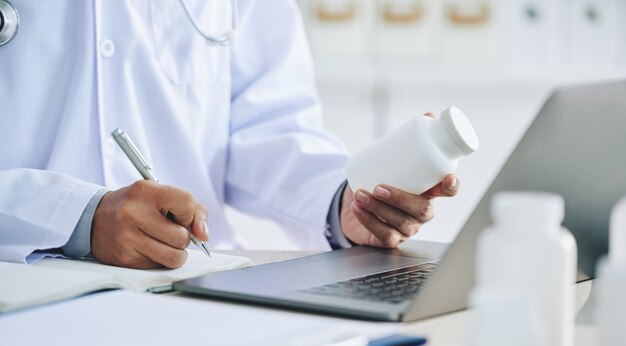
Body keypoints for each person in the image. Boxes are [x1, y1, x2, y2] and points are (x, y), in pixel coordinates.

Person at [0, 0, 459, 269]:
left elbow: (268, 122)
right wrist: (76, 219)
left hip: (194, 283)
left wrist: (345, 204)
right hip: (22, 288)